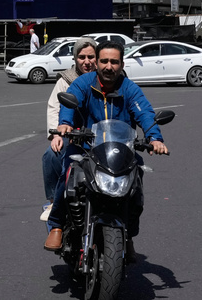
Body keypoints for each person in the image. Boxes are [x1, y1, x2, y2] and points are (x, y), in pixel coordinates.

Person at [44, 41, 169, 254]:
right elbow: (69, 103)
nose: (108, 67)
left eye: (114, 62)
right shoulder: (83, 83)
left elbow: (144, 113)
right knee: (67, 177)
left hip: (120, 150)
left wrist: (154, 138)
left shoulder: (130, 89)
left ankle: (128, 235)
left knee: (136, 184)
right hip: (85, 148)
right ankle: (56, 225)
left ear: (121, 64)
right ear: (98, 62)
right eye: (104, 61)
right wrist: (65, 123)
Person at [40, 37, 97, 221]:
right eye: (82, 57)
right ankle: (52, 201)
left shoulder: (107, 76)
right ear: (75, 59)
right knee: (51, 155)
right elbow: (55, 107)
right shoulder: (66, 80)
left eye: (91, 57)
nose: (87, 62)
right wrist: (55, 134)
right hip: (72, 133)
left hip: (102, 133)